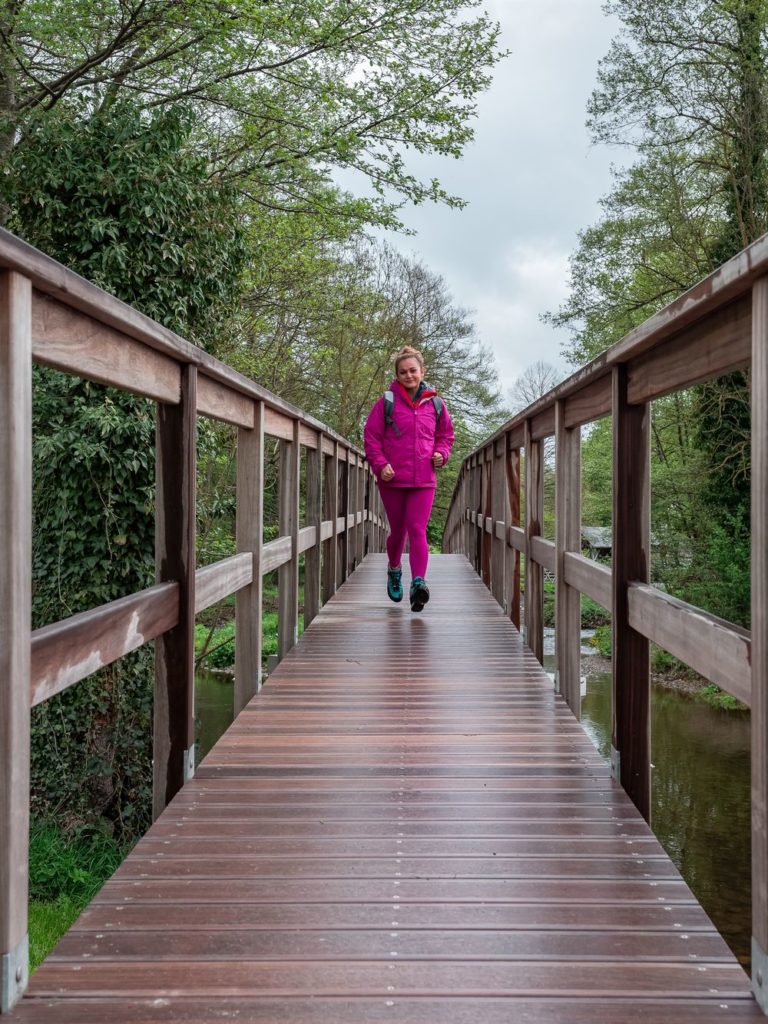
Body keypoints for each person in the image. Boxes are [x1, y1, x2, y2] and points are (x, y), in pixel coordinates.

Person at [363, 346, 455, 612]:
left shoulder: (436, 403)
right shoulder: (386, 403)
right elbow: (371, 438)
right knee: (398, 532)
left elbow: (446, 436)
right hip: (392, 478)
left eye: (413, 370)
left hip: (424, 478)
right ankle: (394, 569)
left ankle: (418, 583)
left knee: (417, 529)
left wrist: (442, 453)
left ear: (422, 372)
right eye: (403, 372)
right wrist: (381, 465)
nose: (409, 375)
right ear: (397, 375)